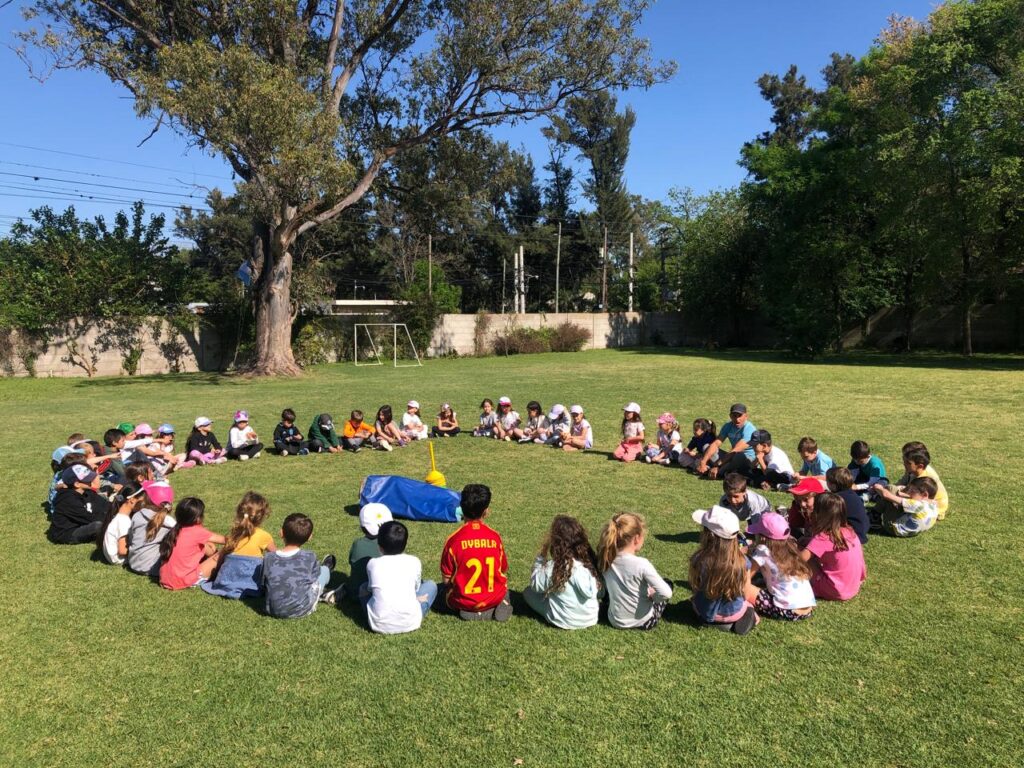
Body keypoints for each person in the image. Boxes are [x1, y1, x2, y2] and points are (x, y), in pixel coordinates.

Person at [440, 484, 511, 621]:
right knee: (504, 589)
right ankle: (498, 604)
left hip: (464, 600)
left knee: (441, 593)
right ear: (486, 511)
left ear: (462, 508)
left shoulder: (453, 540)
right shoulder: (495, 537)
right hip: (493, 595)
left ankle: (471, 611)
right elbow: (503, 569)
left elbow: (446, 579)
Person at [523, 515, 602, 629]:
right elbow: (600, 592)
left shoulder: (555, 566)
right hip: (590, 619)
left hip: (563, 620)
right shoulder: (588, 564)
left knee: (528, 592)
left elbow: (535, 585)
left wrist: (541, 556)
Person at [689, 506, 758, 634]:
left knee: (695, 600)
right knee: (748, 605)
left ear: (708, 535)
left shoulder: (700, 559)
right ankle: (743, 618)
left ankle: (715, 620)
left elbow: (696, 587)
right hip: (733, 614)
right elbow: (746, 593)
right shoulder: (743, 561)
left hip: (703, 614)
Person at [597, 512, 672, 630]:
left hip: (614, 620)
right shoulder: (641, 564)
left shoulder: (606, 559)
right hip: (643, 621)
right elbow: (666, 593)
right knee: (668, 583)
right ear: (636, 539)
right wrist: (653, 596)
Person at [365, 521, 438, 634]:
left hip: (378, 624)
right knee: (431, 585)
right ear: (405, 543)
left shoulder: (372, 564)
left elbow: (370, 589)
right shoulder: (414, 561)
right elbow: (416, 589)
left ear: (379, 546)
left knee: (363, 588)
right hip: (411, 621)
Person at [262, 513, 338, 618]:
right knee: (323, 572)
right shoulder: (309, 556)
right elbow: (314, 578)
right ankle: (327, 568)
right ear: (309, 537)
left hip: (271, 609)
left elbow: (263, 581)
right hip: (302, 609)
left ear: (281, 533)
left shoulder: (268, 557)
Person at [745, 512, 815, 621]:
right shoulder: (791, 546)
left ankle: (744, 609)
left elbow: (747, 577)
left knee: (745, 588)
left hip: (787, 611)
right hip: (807, 610)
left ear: (763, 538)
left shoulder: (763, 550)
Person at [800, 493, 866, 601]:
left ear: (819, 514)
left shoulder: (823, 537)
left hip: (834, 590)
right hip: (853, 586)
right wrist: (808, 541)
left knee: (805, 558)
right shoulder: (850, 532)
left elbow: (800, 559)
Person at [158, 497, 225, 590]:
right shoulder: (197, 531)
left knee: (208, 544)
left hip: (165, 578)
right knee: (224, 552)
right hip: (183, 580)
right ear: (198, 518)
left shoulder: (175, 530)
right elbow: (226, 540)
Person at [48, 465, 110, 544]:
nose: (91, 480)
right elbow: (88, 518)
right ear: (77, 484)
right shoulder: (67, 499)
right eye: (87, 479)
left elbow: (106, 505)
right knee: (98, 526)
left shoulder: (87, 492)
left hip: (84, 523)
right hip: (69, 532)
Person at [126, 481, 176, 576]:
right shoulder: (170, 522)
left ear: (148, 498)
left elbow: (131, 539)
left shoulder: (137, 515)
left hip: (133, 563)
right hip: (153, 568)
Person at [696, 404, 757, 480]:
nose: (737, 419)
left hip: (747, 459)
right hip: (731, 456)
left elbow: (735, 450)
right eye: (734, 416)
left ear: (746, 416)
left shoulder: (749, 429)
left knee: (739, 455)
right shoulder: (727, 426)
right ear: (730, 416)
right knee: (706, 447)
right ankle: (724, 471)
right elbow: (716, 443)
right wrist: (703, 462)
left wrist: (717, 465)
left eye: (740, 416)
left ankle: (718, 472)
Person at [349, 502, 393, 601]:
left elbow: (353, 563)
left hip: (359, 595)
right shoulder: (395, 544)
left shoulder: (358, 544)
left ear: (362, 527)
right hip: (388, 595)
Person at [893, 444, 949, 520]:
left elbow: (917, 498)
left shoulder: (925, 479)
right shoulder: (914, 471)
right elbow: (903, 482)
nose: (904, 463)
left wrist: (892, 494)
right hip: (921, 500)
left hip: (935, 509)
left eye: (908, 463)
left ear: (920, 466)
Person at [872, 476, 940, 537]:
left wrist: (879, 488)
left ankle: (874, 518)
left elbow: (886, 495)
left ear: (925, 494)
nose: (909, 493)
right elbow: (912, 498)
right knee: (894, 491)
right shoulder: (934, 504)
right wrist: (900, 494)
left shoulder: (917, 505)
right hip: (912, 531)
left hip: (892, 528)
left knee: (890, 491)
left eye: (912, 491)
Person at [97, 481, 146, 565]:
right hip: (119, 559)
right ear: (132, 500)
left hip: (112, 558)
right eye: (142, 501)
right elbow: (122, 550)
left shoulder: (118, 516)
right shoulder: (123, 521)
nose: (144, 504)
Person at [218, 491, 276, 561]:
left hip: (227, 571)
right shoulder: (264, 536)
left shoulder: (235, 534)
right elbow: (276, 557)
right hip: (251, 571)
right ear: (262, 516)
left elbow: (221, 558)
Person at [825, 467, 869, 544]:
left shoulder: (837, 499)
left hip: (853, 535)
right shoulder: (851, 494)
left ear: (833, 485)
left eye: (827, 481)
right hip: (861, 530)